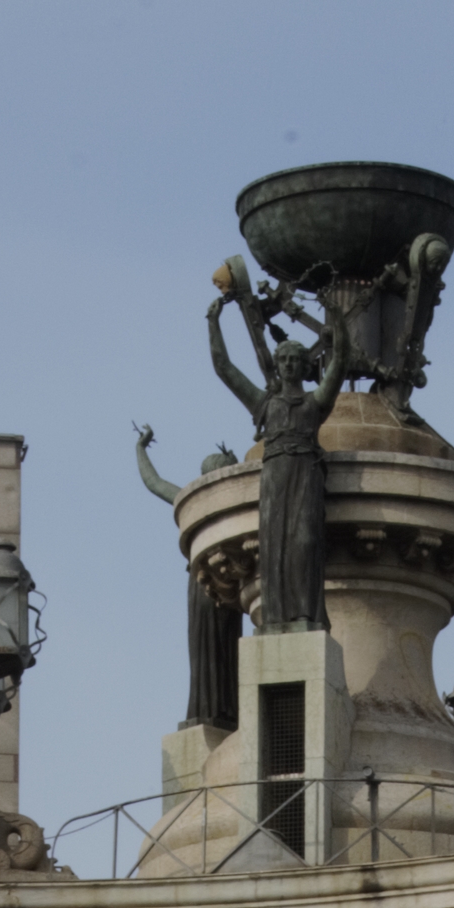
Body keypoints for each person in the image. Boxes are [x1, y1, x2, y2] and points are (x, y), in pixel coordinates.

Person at [206, 290, 349, 634]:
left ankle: (306, 615)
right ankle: (275, 618)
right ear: (278, 364)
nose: (288, 365)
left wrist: (338, 319)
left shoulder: (315, 402)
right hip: (275, 475)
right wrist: (213, 323)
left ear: (304, 366)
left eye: (294, 360)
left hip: (306, 473)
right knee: (274, 545)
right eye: (283, 359)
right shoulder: (265, 404)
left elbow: (340, 362)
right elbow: (224, 369)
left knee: (305, 541)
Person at [133, 425, 243, 732]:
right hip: (223, 580)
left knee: (209, 648)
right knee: (220, 647)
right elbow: (154, 483)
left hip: (208, 581)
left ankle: (211, 709)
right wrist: (140, 449)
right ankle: (220, 710)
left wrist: (140, 448)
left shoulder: (200, 503)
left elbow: (154, 482)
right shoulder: (228, 503)